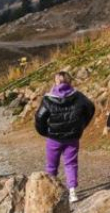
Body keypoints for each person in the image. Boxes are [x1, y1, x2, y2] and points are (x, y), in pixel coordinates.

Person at [34, 71, 95, 203]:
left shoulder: (48, 99)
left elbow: (39, 117)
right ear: (69, 82)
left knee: (51, 166)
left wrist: (45, 132)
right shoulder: (78, 96)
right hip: (72, 137)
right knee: (71, 164)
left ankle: (51, 193)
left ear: (56, 82)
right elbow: (90, 108)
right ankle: (72, 192)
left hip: (53, 138)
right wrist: (82, 125)